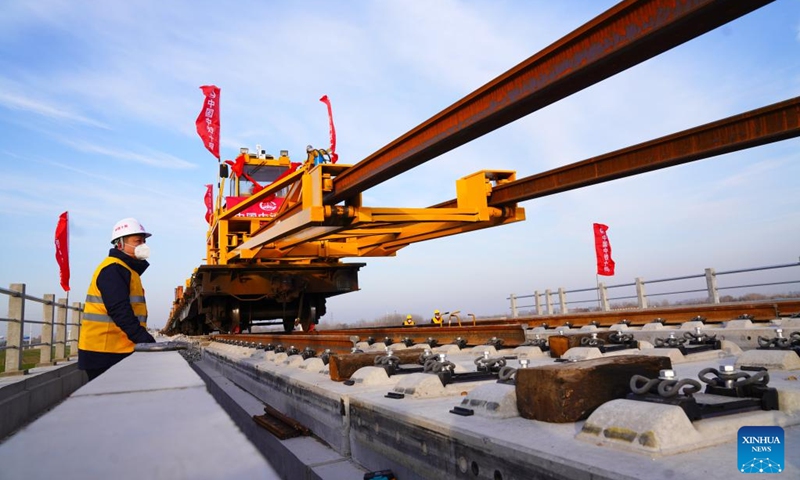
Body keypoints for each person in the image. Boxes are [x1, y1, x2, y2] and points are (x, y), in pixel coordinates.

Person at [78, 218, 156, 381]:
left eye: (144, 241)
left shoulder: (127, 269)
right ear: (120, 244)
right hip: (104, 352)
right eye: (137, 241)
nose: (143, 245)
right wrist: (144, 339)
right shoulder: (113, 269)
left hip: (114, 348)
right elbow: (119, 310)